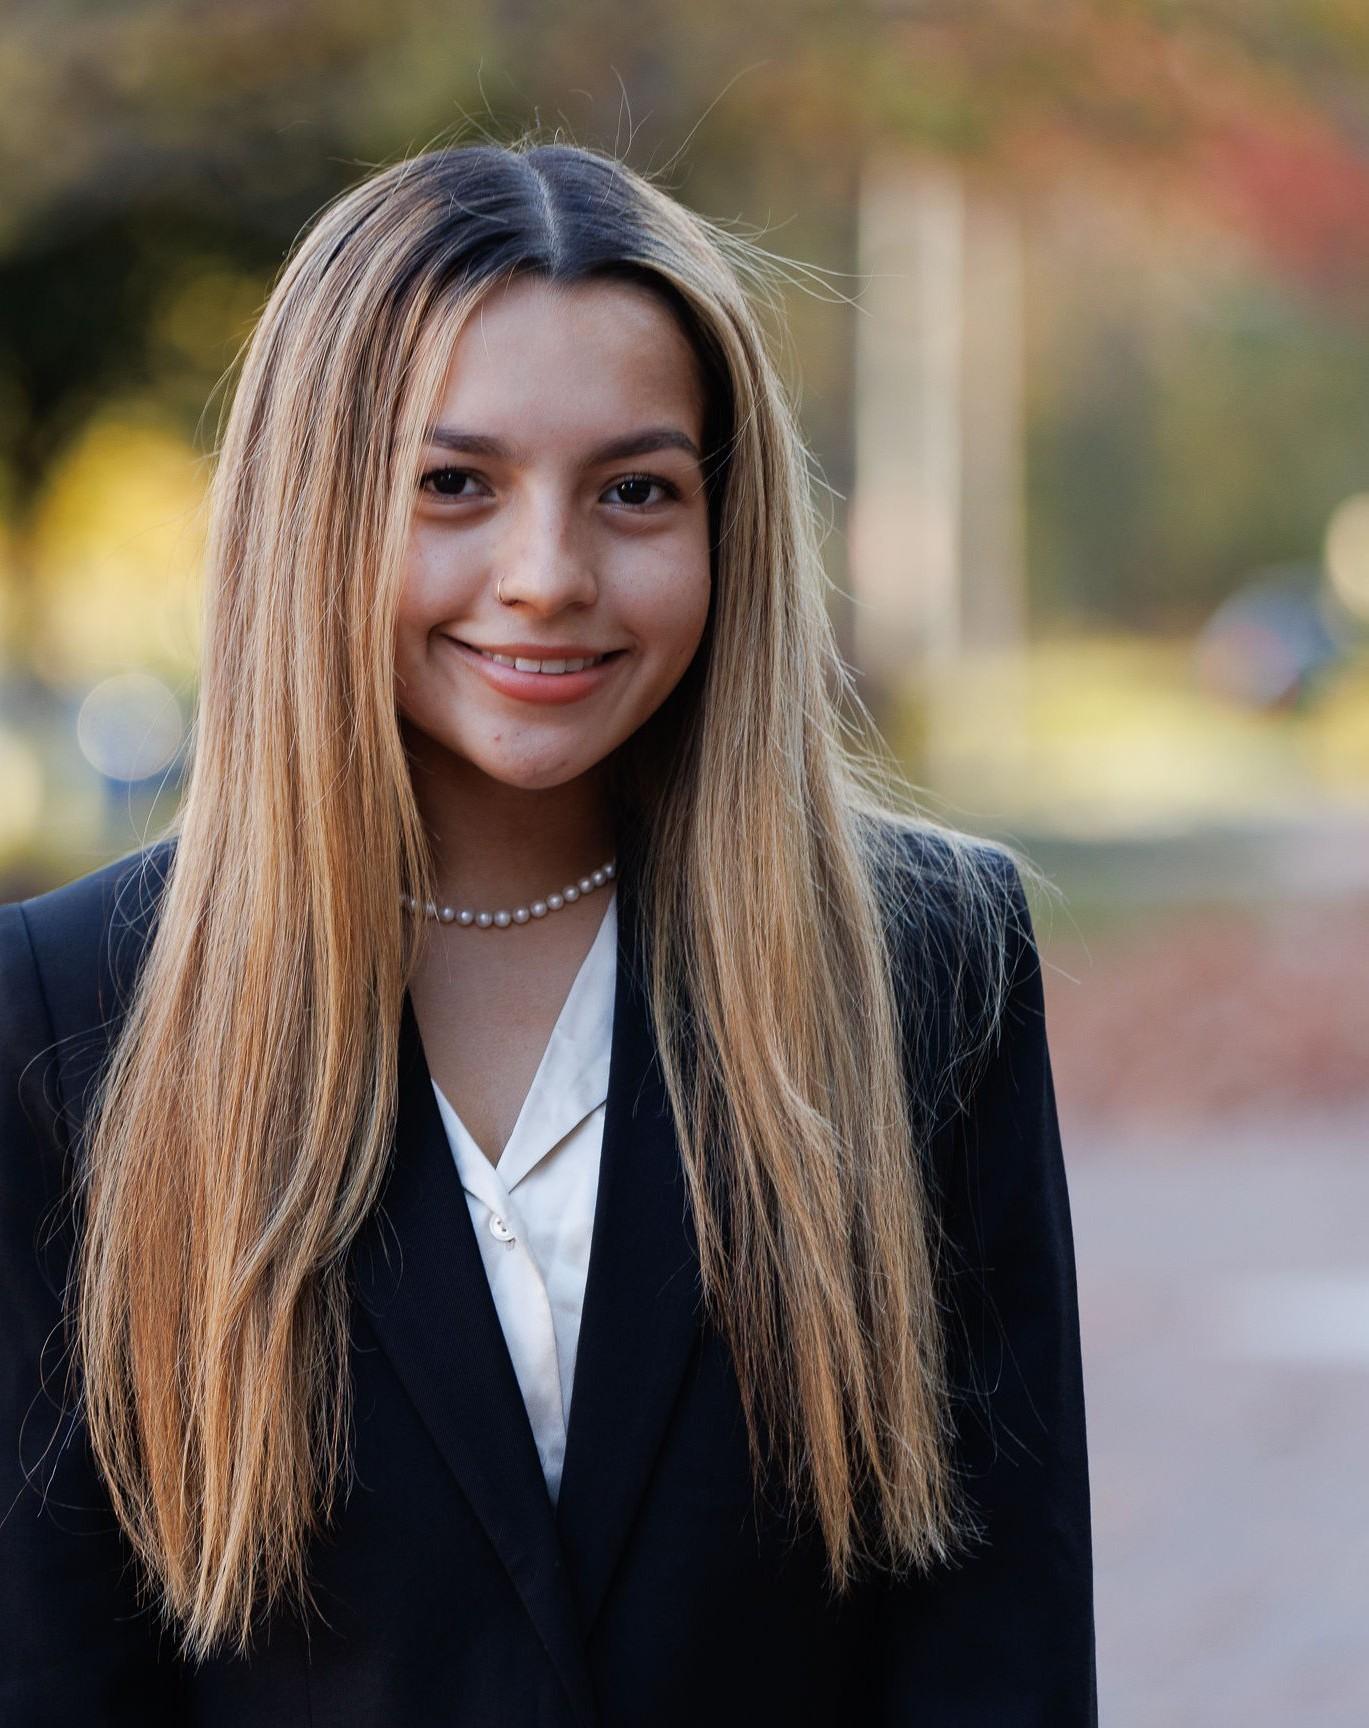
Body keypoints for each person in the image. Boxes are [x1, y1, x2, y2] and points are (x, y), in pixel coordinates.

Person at [0, 138, 1096, 1725]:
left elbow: (993, 1646)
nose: (546, 576)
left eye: (634, 491)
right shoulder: (75, 1007)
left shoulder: (928, 965)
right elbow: (53, 1670)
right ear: (309, 510)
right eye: (454, 485)